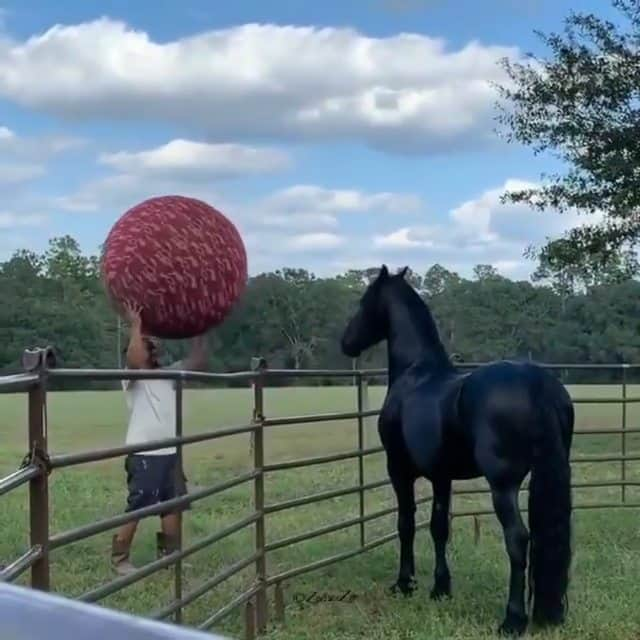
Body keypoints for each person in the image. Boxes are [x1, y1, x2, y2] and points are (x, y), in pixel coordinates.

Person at [111, 303, 208, 576]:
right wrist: (136, 325)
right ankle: (119, 559)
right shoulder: (132, 376)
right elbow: (135, 357)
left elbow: (198, 361)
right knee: (139, 506)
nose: (151, 345)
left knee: (172, 505)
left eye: (153, 342)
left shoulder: (171, 375)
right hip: (145, 453)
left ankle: (169, 557)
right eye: (146, 342)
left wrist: (201, 329)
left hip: (170, 451)